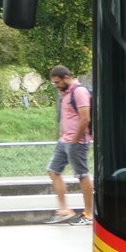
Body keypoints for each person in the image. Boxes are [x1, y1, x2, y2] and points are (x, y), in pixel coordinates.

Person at [46, 65, 94, 225]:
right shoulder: (66, 94)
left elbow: (85, 118)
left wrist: (75, 139)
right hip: (64, 140)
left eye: (57, 82)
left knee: (82, 175)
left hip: (77, 141)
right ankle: (64, 210)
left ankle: (88, 214)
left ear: (66, 77)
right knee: (53, 171)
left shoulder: (79, 91)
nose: (56, 85)